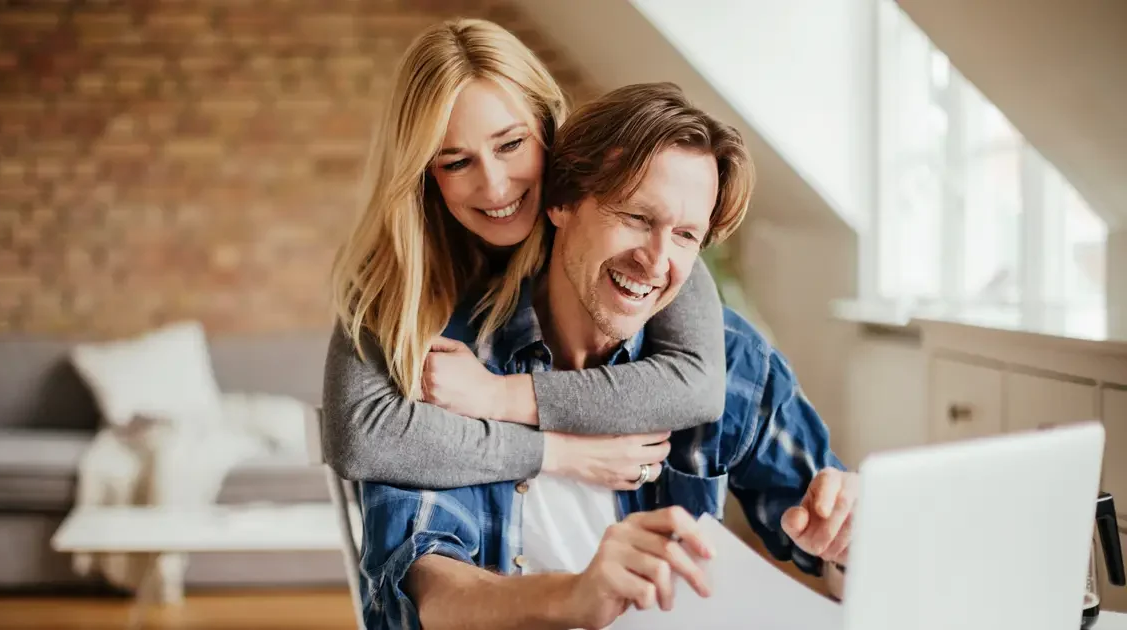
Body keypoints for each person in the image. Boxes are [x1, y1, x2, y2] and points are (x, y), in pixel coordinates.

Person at [359, 82, 854, 630]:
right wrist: (573, 597)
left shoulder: (731, 359)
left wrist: (845, 543)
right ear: (562, 203)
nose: (657, 261)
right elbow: (431, 590)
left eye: (686, 235)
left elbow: (829, 549)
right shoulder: (451, 364)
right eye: (637, 218)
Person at [323, 18, 732, 492]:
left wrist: (498, 397)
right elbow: (362, 435)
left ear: (546, 126)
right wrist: (558, 452)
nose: (495, 186)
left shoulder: (617, 224)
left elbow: (696, 386)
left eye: (511, 144)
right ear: (424, 174)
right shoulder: (394, 270)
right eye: (456, 162)